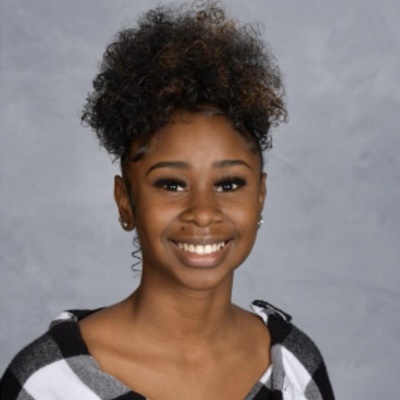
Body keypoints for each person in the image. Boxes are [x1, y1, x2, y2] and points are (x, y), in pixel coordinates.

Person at [0, 2, 335, 399]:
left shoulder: (293, 367)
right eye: (172, 185)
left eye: (229, 184)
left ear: (260, 196)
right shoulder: (48, 383)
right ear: (125, 201)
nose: (204, 213)